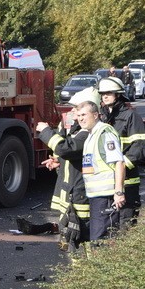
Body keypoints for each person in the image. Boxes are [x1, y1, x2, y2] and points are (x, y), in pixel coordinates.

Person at [36, 87, 96, 258]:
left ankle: (90, 274)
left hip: (82, 193)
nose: (73, 112)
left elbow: (67, 149)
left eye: (77, 109)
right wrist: (58, 163)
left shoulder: (89, 133)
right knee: (72, 235)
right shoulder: (79, 130)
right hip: (72, 192)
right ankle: (80, 274)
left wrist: (47, 131)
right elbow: (73, 158)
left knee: (82, 234)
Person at [98, 76, 145, 231]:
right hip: (106, 180)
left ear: (118, 94)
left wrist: (122, 166)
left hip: (127, 180)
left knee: (125, 223)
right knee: (108, 223)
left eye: (109, 93)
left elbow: (141, 147)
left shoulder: (130, 116)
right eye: (102, 93)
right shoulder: (103, 116)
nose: (105, 96)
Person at [76, 99, 127, 241]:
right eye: (79, 116)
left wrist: (118, 192)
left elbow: (119, 163)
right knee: (97, 237)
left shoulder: (105, 133)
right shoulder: (90, 135)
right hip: (96, 196)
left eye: (84, 115)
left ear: (96, 115)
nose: (81, 119)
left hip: (107, 196)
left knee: (102, 239)